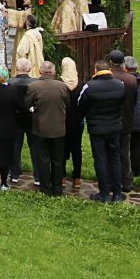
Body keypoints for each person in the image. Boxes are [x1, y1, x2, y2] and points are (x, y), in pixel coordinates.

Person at [78, 57, 126, 203]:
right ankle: (117, 193)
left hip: (97, 128)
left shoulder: (89, 87)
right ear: (109, 70)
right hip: (114, 126)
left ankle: (104, 193)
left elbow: (80, 106)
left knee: (100, 159)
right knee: (115, 158)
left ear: (96, 70)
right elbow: (123, 102)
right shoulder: (120, 85)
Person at [25, 60, 69, 196]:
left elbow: (26, 104)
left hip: (41, 128)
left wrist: (34, 109)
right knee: (57, 159)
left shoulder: (34, 87)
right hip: (58, 128)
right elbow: (68, 104)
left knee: (43, 159)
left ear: (40, 71)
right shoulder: (62, 87)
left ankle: (45, 187)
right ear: (54, 72)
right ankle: (57, 187)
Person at [107, 49, 139, 191]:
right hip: (126, 120)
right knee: (124, 153)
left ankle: (110, 181)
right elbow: (134, 101)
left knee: (109, 152)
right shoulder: (132, 80)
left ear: (110, 63)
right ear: (123, 63)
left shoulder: (107, 78)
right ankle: (126, 181)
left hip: (110, 120)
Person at [122, 55, 140, 186]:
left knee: (125, 146)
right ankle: (137, 169)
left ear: (125, 68)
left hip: (127, 119)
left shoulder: (125, 83)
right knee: (139, 146)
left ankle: (127, 171)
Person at [7, 57, 35, 183]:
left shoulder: (9, 82)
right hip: (31, 117)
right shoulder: (35, 83)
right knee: (34, 147)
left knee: (15, 146)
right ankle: (38, 175)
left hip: (15, 118)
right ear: (29, 69)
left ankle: (14, 174)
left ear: (16, 68)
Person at [60, 57, 85, 191]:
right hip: (77, 123)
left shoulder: (60, 85)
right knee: (77, 150)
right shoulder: (81, 85)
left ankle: (62, 177)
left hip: (63, 121)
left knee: (62, 149)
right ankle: (76, 178)